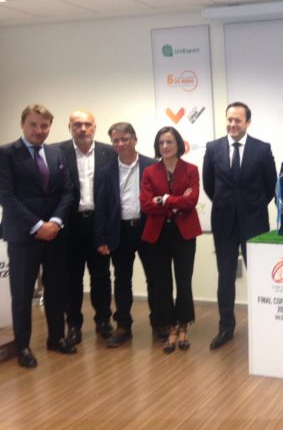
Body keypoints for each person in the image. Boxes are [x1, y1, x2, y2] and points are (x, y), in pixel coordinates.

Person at [0, 104, 76, 368]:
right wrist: (36, 226)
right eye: (33, 124)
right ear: (23, 124)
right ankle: (22, 347)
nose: (39, 130)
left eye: (44, 125)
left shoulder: (56, 152)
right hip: (23, 235)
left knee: (56, 288)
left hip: (55, 234)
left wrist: (54, 221)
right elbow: (7, 197)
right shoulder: (6, 153)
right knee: (22, 293)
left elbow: (67, 191)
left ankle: (56, 338)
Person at [203, 101, 277, 350]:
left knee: (258, 277)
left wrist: (250, 206)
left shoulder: (262, 149)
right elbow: (209, 185)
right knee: (225, 278)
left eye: (238, 120)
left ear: (247, 122)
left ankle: (263, 325)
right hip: (224, 222)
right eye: (229, 119)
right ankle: (226, 327)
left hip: (254, 223)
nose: (232, 124)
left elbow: (270, 186)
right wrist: (229, 204)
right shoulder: (213, 148)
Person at [94, 122, 157, 347]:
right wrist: (100, 238)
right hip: (119, 232)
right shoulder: (106, 172)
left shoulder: (152, 165)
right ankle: (123, 327)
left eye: (125, 139)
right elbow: (100, 207)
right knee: (122, 280)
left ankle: (159, 323)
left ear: (135, 140)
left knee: (155, 278)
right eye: (116, 140)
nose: (120, 144)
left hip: (147, 229)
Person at [140, 127, 201, 353]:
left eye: (169, 142)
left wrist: (163, 199)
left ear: (179, 144)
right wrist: (174, 200)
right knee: (162, 283)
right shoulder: (149, 172)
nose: (165, 146)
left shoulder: (191, 170)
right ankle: (170, 327)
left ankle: (184, 324)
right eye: (161, 143)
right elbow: (145, 204)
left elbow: (191, 201)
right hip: (158, 234)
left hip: (184, 233)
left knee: (183, 281)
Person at [57, 109, 116, 345]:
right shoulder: (56, 152)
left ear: (95, 127)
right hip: (70, 226)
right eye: (77, 124)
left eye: (87, 124)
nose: (82, 129)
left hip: (98, 224)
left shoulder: (109, 152)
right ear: (69, 127)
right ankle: (73, 324)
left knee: (101, 276)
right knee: (72, 278)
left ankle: (103, 321)